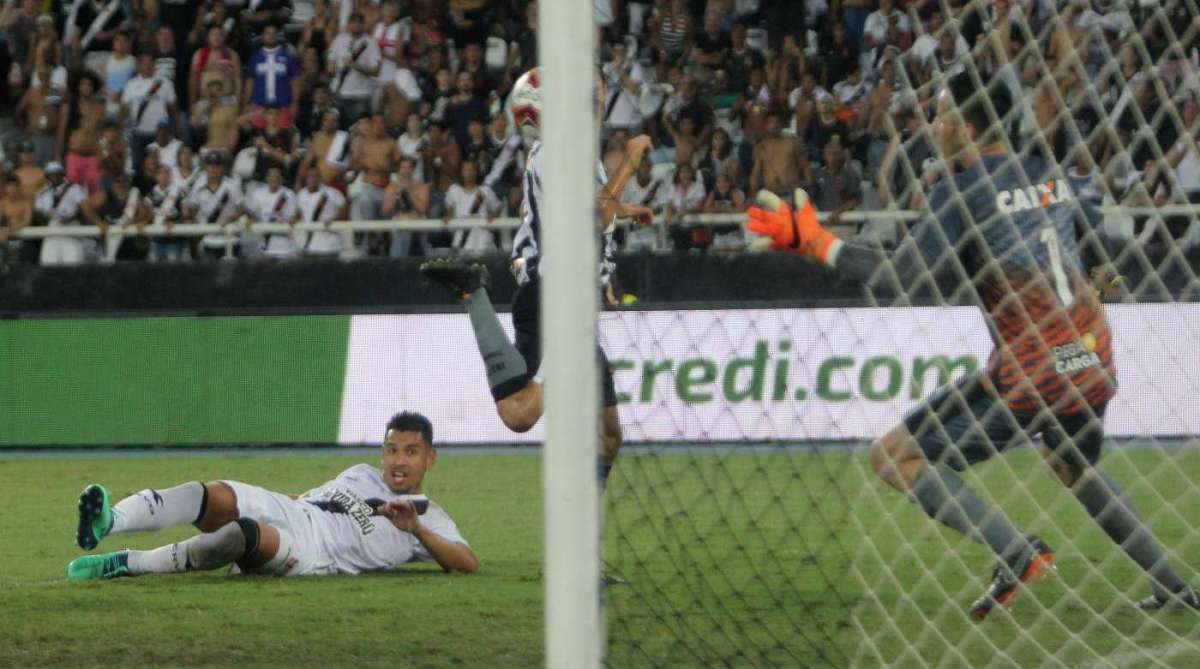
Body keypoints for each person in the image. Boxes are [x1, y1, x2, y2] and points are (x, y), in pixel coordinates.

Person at [744, 72, 1199, 618]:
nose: (934, 127)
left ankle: (1014, 549)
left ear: (967, 124)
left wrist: (818, 244)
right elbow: (1094, 245)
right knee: (1071, 466)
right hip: (1091, 352)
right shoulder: (1047, 171)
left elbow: (900, 277)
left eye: (940, 116)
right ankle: (1174, 585)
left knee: (891, 455)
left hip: (1034, 368)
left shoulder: (961, 191)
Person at [420, 68, 653, 487]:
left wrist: (612, 258)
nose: (597, 100)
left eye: (600, 91)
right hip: (556, 297)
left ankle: (581, 536)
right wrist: (631, 163)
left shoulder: (576, 152)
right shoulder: (557, 152)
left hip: (574, 298)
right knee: (519, 414)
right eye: (588, 93)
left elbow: (596, 219)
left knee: (609, 436)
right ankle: (474, 294)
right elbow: (595, 213)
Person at [67, 411, 477, 580]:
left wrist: (417, 530)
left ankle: (127, 563)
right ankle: (112, 521)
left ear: (430, 458)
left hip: (317, 552)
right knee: (213, 494)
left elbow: (467, 563)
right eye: (391, 450)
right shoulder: (360, 473)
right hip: (295, 510)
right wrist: (281, 504)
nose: (398, 461)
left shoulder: (429, 515)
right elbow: (313, 496)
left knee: (244, 534)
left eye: (411, 452)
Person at [34, 162, 89, 265]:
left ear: (62, 174)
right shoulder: (42, 193)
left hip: (71, 228)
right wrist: (46, 219)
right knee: (48, 263)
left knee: (73, 264)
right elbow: (38, 212)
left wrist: (71, 218)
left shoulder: (75, 188)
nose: (53, 176)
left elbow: (84, 208)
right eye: (51, 174)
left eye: (56, 173)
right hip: (52, 229)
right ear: (47, 176)